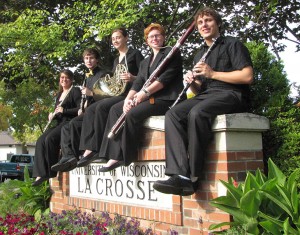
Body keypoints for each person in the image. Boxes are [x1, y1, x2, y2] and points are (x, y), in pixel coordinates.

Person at [153, 7, 254, 196]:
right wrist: (192, 83)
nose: (204, 25)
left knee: (198, 113)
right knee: (173, 114)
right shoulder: (199, 54)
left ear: (218, 23)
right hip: (207, 95)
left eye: (208, 20)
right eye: (200, 22)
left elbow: (247, 76)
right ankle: (179, 174)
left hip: (232, 94)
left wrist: (213, 73)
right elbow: (200, 89)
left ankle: (193, 178)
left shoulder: (232, 44)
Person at [97, 23, 184, 172]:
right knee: (115, 110)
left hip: (166, 99)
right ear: (146, 41)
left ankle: (125, 156)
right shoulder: (145, 62)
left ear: (163, 37)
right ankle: (112, 154)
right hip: (150, 98)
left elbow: (165, 79)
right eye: (151, 37)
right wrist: (127, 99)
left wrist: (144, 94)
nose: (154, 38)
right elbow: (138, 83)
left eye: (157, 35)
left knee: (132, 114)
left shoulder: (172, 53)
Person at [75, 28, 144, 167]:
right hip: (118, 93)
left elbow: (145, 75)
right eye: (113, 39)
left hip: (130, 93)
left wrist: (133, 77)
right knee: (91, 109)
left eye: (118, 37)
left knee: (101, 107)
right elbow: (114, 81)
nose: (115, 41)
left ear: (126, 38)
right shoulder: (116, 60)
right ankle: (89, 148)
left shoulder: (135, 54)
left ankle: (100, 149)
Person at [51, 48, 109, 172]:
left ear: (97, 60)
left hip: (100, 110)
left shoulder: (103, 74)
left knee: (73, 124)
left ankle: (82, 154)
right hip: (89, 110)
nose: (89, 60)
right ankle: (69, 156)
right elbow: (87, 99)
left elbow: (108, 95)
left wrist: (91, 93)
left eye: (92, 58)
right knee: (67, 127)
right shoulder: (88, 77)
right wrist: (83, 107)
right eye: (86, 58)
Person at [32, 69, 81, 186]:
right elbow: (57, 112)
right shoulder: (59, 94)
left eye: (67, 77)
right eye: (62, 78)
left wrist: (64, 110)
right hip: (59, 122)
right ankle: (40, 174)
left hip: (68, 122)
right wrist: (52, 115)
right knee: (40, 141)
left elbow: (79, 110)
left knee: (50, 139)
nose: (64, 80)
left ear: (71, 80)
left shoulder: (75, 91)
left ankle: (50, 171)